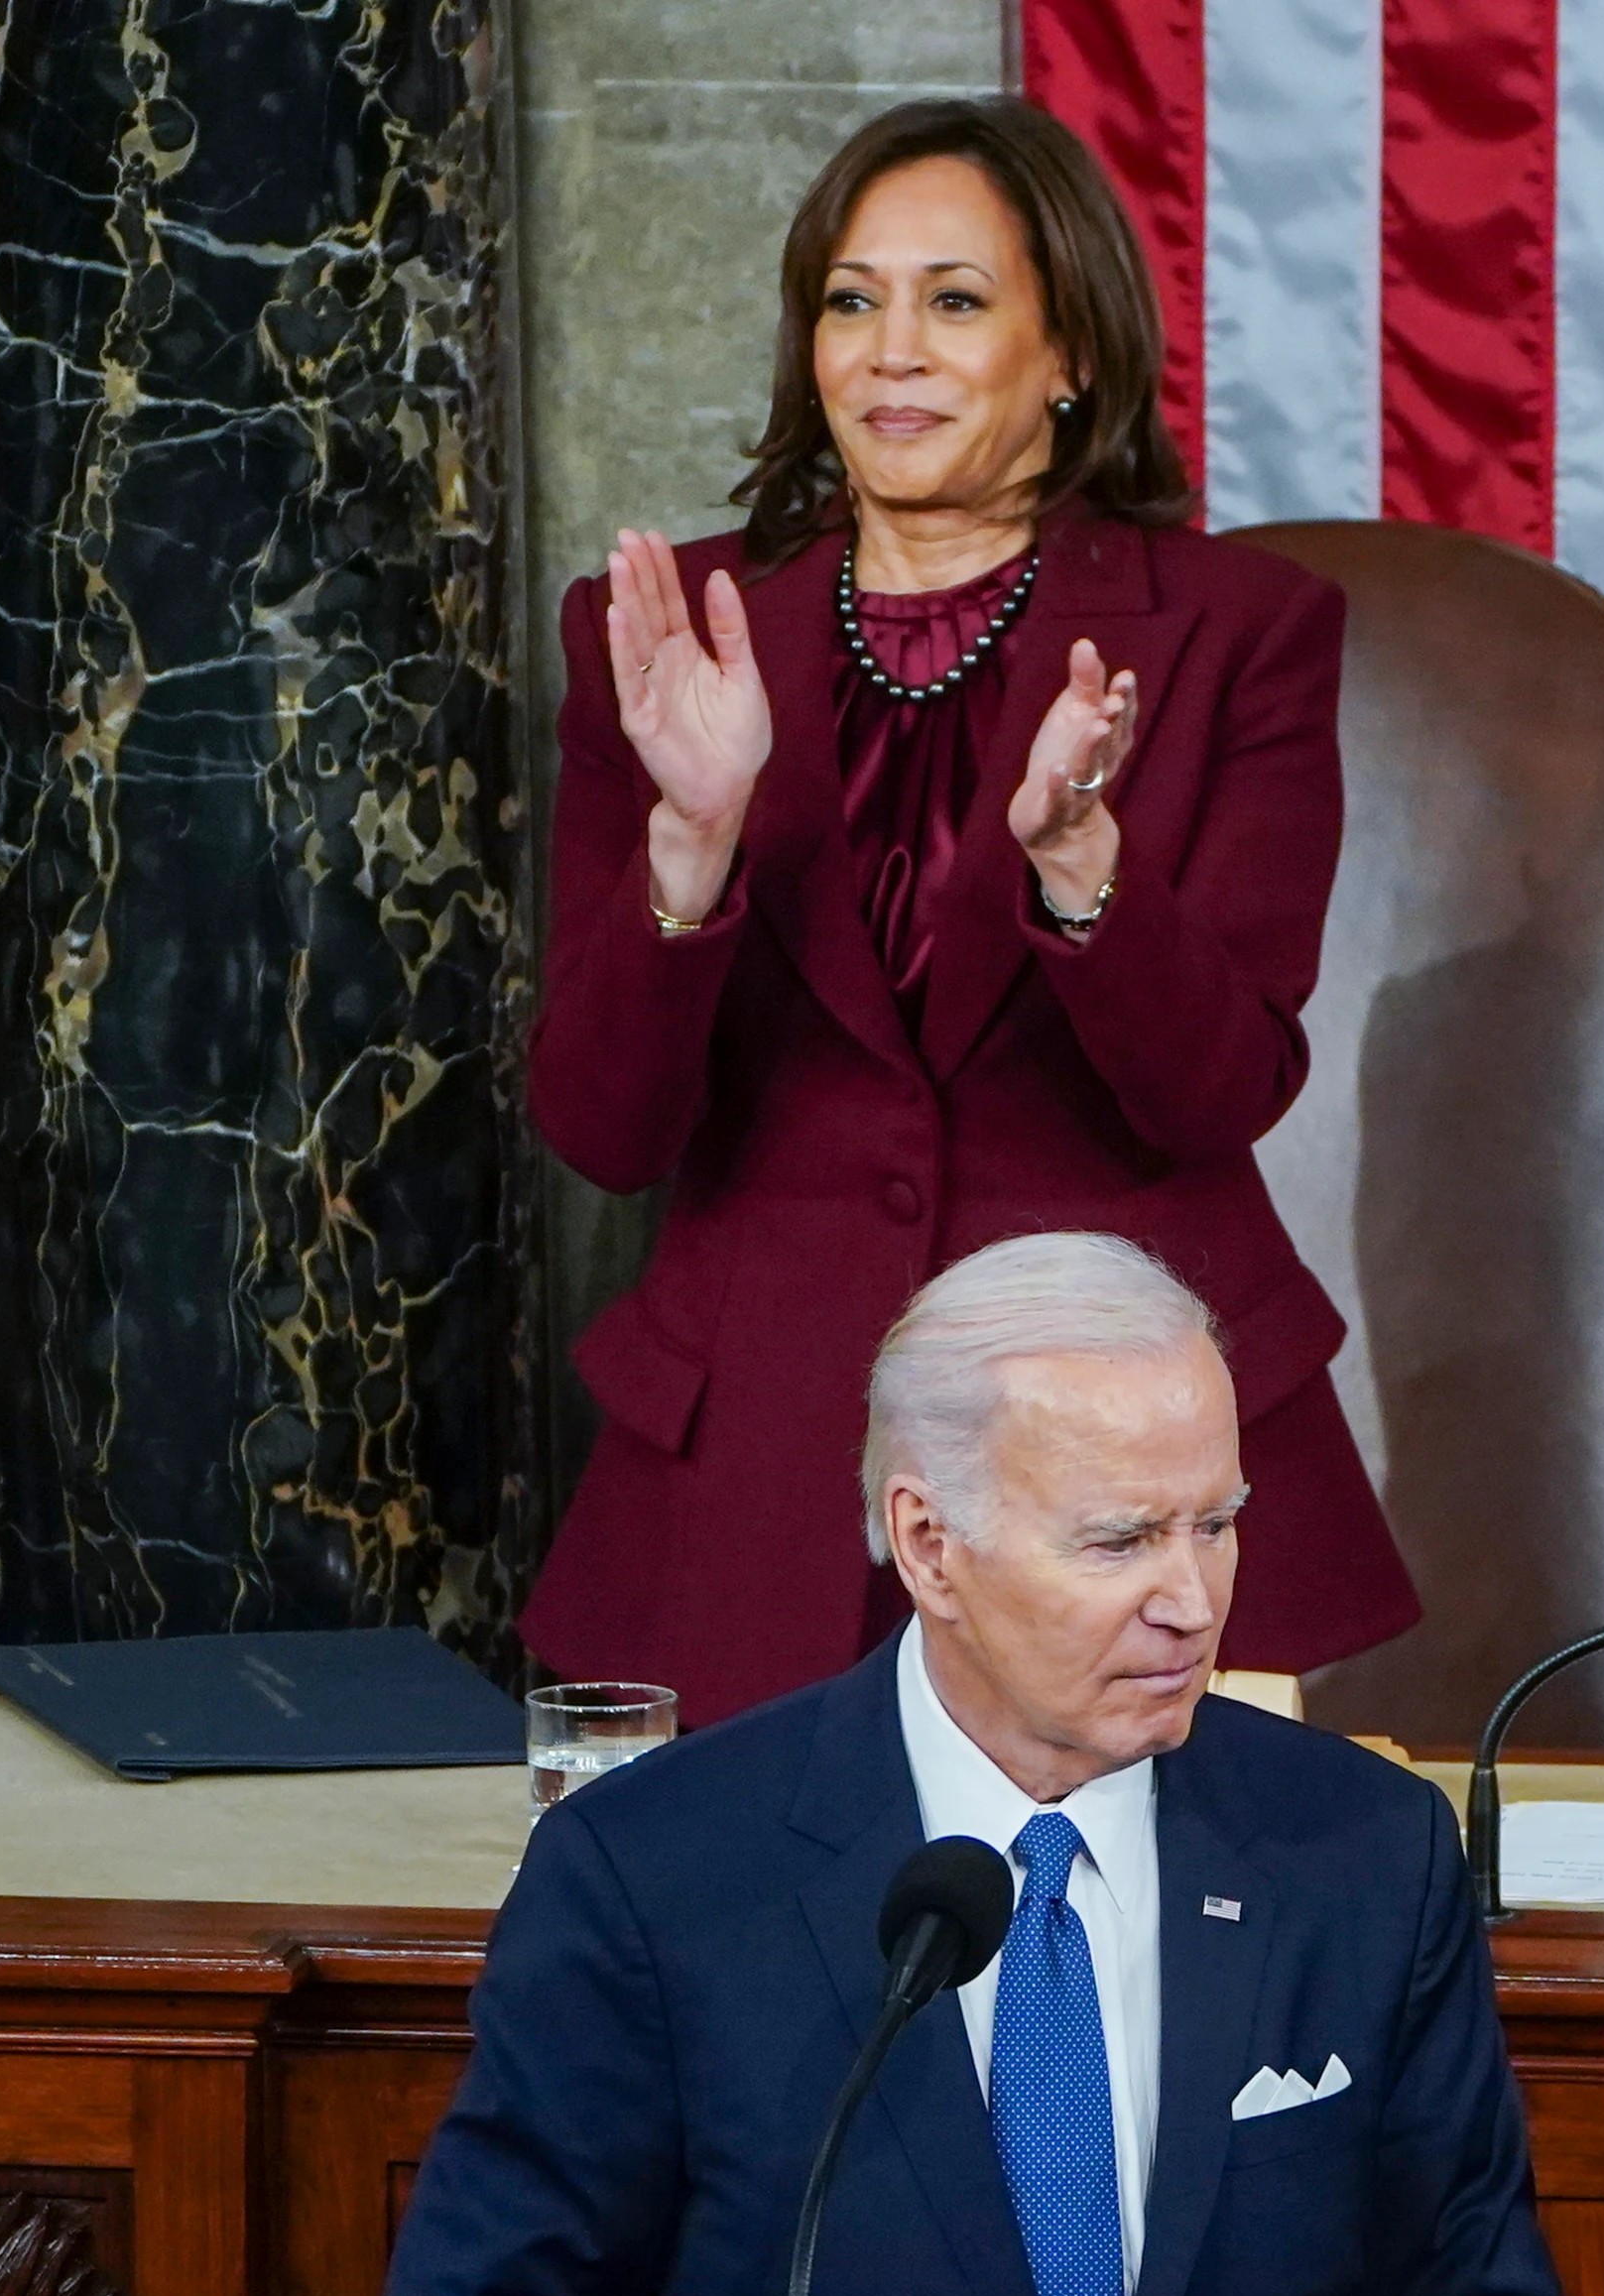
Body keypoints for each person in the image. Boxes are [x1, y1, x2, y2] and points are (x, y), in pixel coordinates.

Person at [362, 1232, 1580, 2296]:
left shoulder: (1363, 1849)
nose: (1191, 1600)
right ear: (929, 1542)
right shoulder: (653, 1868)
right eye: (1118, 1543)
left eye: (1213, 1524)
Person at [521, 93, 1417, 1727]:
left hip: (1113, 1461)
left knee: (1162, 1960)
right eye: (850, 303)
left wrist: (1083, 870)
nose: (889, 353)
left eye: (952, 301)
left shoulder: (1236, 635)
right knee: (758, 1959)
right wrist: (691, 845)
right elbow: (600, 1129)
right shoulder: (657, 637)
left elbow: (1216, 1094)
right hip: (760, 1469)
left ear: (1069, 349)